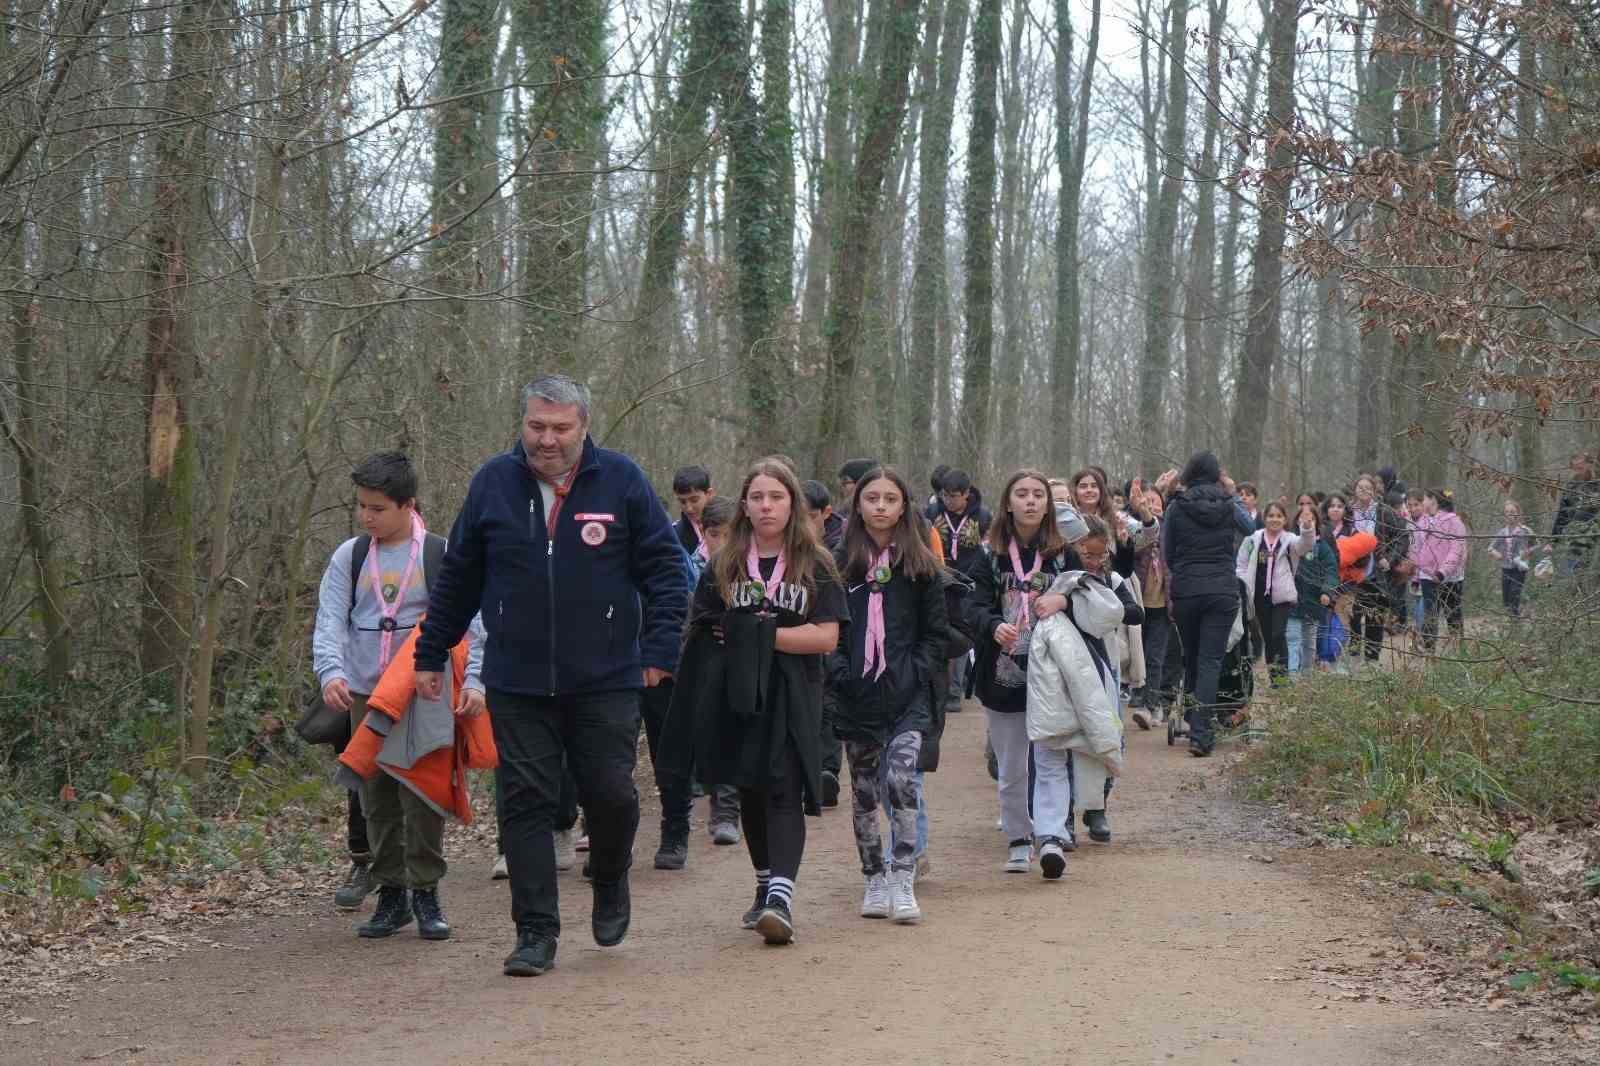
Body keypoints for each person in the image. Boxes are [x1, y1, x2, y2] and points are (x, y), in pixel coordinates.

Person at [414, 375, 689, 978]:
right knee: (525, 805)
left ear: (583, 427)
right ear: (523, 424)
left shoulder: (621, 481)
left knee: (610, 795)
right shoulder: (492, 483)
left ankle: (611, 876)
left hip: (608, 676)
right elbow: (459, 577)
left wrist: (660, 648)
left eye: (561, 428)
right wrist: (431, 655)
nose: (548, 439)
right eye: (537, 426)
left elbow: (667, 571)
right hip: (517, 679)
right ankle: (535, 932)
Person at [663, 459, 847, 946]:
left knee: (785, 786)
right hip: (735, 693)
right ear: (744, 504)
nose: (766, 506)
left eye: (777, 497)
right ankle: (765, 881)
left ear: (793, 504)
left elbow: (826, 636)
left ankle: (781, 900)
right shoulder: (724, 563)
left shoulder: (816, 564)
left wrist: (760, 634)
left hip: (792, 691)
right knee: (751, 789)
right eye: (758, 497)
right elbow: (705, 627)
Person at [313, 452, 481, 938]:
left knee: (424, 793)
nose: (366, 517)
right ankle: (391, 894)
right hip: (366, 692)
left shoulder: (439, 554)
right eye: (361, 507)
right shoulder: (351, 556)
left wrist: (474, 683)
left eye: (377, 508)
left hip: (425, 691)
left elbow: (475, 624)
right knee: (376, 798)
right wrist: (332, 673)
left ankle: (426, 892)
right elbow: (330, 619)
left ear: (407, 505)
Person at [825, 468, 947, 923]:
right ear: (857, 505)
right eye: (871, 498)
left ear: (903, 506)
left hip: (906, 696)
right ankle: (873, 877)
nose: (879, 506)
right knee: (863, 792)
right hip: (856, 695)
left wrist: (914, 671)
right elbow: (829, 629)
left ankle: (902, 874)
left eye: (889, 499)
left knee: (901, 781)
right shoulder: (836, 565)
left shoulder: (921, 567)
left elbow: (936, 635)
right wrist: (840, 671)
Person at [967, 469, 1080, 873]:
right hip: (1003, 672)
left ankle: (1050, 836)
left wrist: (1063, 603)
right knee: (1012, 764)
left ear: (1049, 505)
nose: (1031, 501)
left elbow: (1089, 598)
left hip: (1052, 673)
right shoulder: (987, 554)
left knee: (1051, 758)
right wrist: (992, 625)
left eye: (1038, 494)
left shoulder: (1065, 554)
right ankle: (1018, 836)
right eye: (1022, 494)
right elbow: (970, 606)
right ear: (1008, 502)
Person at [1025, 516, 1143, 877]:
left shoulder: (1107, 580)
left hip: (1097, 672)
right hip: (1056, 676)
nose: (1093, 561)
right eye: (1086, 554)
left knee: (1098, 742)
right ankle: (1058, 828)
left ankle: (1095, 809)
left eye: (1099, 555)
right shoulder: (1050, 576)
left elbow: (1132, 612)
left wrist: (1080, 598)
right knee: (1056, 746)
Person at [1161, 451, 1254, 757]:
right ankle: (1202, 732)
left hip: (1187, 590)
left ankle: (1193, 719)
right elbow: (1251, 529)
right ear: (1217, 474)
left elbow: (1168, 553)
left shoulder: (1176, 506)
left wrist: (1183, 573)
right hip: (1222, 591)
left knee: (1192, 656)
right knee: (1211, 660)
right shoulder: (1229, 505)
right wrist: (1231, 491)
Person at [1235, 501, 1312, 686]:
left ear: (1285, 519)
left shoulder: (1290, 540)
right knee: (1269, 637)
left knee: (1278, 634)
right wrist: (1244, 583)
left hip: (1282, 596)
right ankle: (1275, 678)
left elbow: (1305, 546)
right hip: (1259, 597)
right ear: (1264, 517)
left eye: (1278, 516)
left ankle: (1283, 677)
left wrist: (1307, 528)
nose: (1274, 519)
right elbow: (1241, 564)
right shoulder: (1252, 539)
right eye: (1271, 516)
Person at [1131, 484, 1181, 724]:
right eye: (1145, 501)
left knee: (1155, 656)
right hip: (1139, 604)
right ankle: (1140, 700)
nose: (1150, 504)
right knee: (1137, 656)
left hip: (1163, 605)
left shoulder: (1172, 529)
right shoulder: (1137, 529)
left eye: (1154, 500)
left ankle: (1151, 706)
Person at [1414, 489, 1468, 654]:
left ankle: (1459, 650)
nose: (1422, 503)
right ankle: (1429, 651)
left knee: (1453, 613)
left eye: (1423, 499)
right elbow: (1417, 550)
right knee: (1430, 613)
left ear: (1433, 500)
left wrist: (1443, 572)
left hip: (1451, 578)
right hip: (1427, 576)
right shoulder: (1421, 523)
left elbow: (1456, 549)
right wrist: (1417, 575)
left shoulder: (1454, 522)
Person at [1290, 503, 1338, 673]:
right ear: (1296, 521)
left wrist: (1326, 590)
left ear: (1317, 523)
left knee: (1309, 641)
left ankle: (1307, 674)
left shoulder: (1322, 548)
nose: (1306, 521)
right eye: (1302, 518)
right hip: (1292, 601)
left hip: (1313, 602)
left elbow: (1331, 571)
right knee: (1292, 639)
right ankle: (1292, 677)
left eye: (1311, 518)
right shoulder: (1290, 543)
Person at [1548, 452, 1599, 582]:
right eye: (1575, 469)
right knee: (1569, 571)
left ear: (1589, 465)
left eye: (1581, 468)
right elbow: (1562, 514)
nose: (1578, 472)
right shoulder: (1572, 485)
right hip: (1575, 537)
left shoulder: (1597, 483)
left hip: (1594, 536)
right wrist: (1553, 541)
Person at [1488, 499, 1534, 618]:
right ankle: (1519, 613)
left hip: (1520, 568)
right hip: (1506, 568)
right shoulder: (1502, 532)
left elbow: (1536, 545)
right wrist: (1496, 554)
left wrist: (1528, 552)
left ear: (1518, 513)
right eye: (1507, 512)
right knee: (1507, 600)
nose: (1510, 514)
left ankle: (1516, 623)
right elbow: (1490, 548)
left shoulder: (1525, 531)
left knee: (1514, 595)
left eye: (1512, 511)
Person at [673, 465, 715, 562]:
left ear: (709, 494)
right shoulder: (674, 535)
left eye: (694, 500)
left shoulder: (730, 526)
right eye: (683, 502)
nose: (689, 509)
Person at [803, 479, 842, 551]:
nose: (805, 524)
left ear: (827, 512)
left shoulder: (843, 546)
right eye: (800, 518)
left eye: (812, 517)